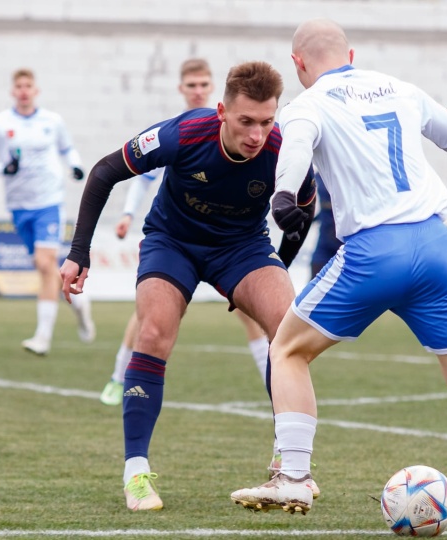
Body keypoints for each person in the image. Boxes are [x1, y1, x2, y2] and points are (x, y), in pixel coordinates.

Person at [229, 19, 447, 540]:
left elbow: (295, 148)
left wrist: (282, 198)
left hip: (373, 252)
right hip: (434, 246)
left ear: (298, 65)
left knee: (287, 349)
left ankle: (294, 477)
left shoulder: (309, 104)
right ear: (352, 53)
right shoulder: (402, 88)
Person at [59, 61, 318, 512]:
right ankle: (136, 472)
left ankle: (289, 461)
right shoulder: (184, 133)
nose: (257, 135)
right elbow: (104, 171)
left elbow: (304, 210)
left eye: (266, 122)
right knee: (155, 331)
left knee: (288, 328)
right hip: (171, 242)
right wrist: (79, 252)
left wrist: (280, 267)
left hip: (242, 248)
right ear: (221, 111)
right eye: (246, 122)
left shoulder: (285, 148)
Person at [99, 58, 272, 407]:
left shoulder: (240, 127)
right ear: (181, 89)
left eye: (203, 85)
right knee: (151, 315)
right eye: (191, 85)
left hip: (229, 242)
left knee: (252, 314)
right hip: (179, 234)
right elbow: (142, 175)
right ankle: (119, 377)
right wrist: (128, 213)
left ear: (213, 90)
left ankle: (276, 390)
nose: (197, 91)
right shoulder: (179, 130)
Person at [0, 68, 95, 356]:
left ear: (36, 90)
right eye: (19, 86)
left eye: (29, 85)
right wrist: (2, 169)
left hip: (49, 202)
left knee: (44, 264)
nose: (24, 90)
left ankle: (42, 337)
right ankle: (78, 303)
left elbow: (68, 149)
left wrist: (75, 166)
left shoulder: (52, 122)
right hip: (19, 206)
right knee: (44, 267)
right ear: (12, 91)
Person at [308, 173, 343, 277]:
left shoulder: (349, 173)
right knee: (315, 280)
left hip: (346, 240)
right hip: (325, 239)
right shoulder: (318, 175)